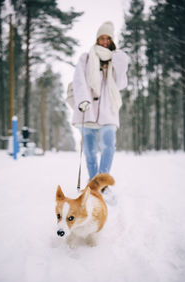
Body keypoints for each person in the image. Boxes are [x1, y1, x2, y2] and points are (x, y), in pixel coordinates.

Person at [72, 21, 129, 203]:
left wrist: (120, 62)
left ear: (112, 40)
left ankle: (101, 185)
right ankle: (92, 183)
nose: (104, 41)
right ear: (97, 39)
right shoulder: (86, 58)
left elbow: (121, 84)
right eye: (101, 37)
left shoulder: (114, 60)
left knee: (108, 146)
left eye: (107, 38)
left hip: (108, 112)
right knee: (89, 151)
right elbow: (79, 80)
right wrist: (83, 100)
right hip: (87, 110)